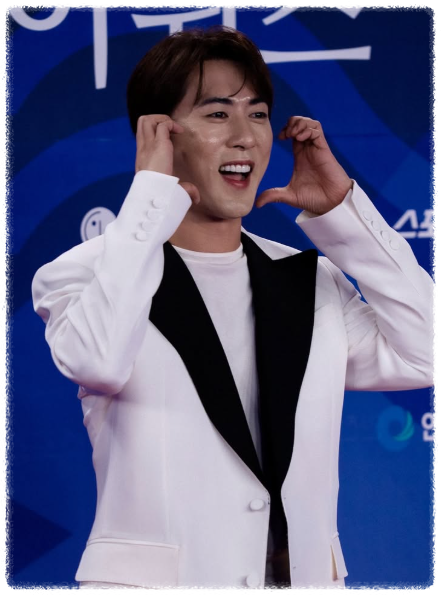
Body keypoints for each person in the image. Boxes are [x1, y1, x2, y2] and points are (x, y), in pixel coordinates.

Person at [31, 27, 433, 589]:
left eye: (259, 114)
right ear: (158, 133)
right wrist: (150, 195)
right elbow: (97, 360)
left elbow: (427, 354)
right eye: (218, 114)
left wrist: (343, 215)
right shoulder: (90, 272)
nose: (245, 137)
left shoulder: (308, 280)